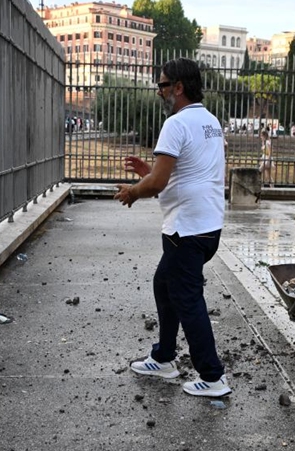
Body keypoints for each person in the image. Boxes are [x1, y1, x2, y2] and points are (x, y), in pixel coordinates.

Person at [114, 58, 231, 398]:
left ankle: (212, 377)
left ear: (178, 87)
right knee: (164, 285)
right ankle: (164, 357)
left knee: (187, 298)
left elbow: (159, 184)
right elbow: (180, 175)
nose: (159, 91)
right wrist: (146, 172)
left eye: (163, 85)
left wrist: (134, 192)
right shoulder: (210, 122)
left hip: (186, 230)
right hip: (208, 227)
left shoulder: (176, 124)